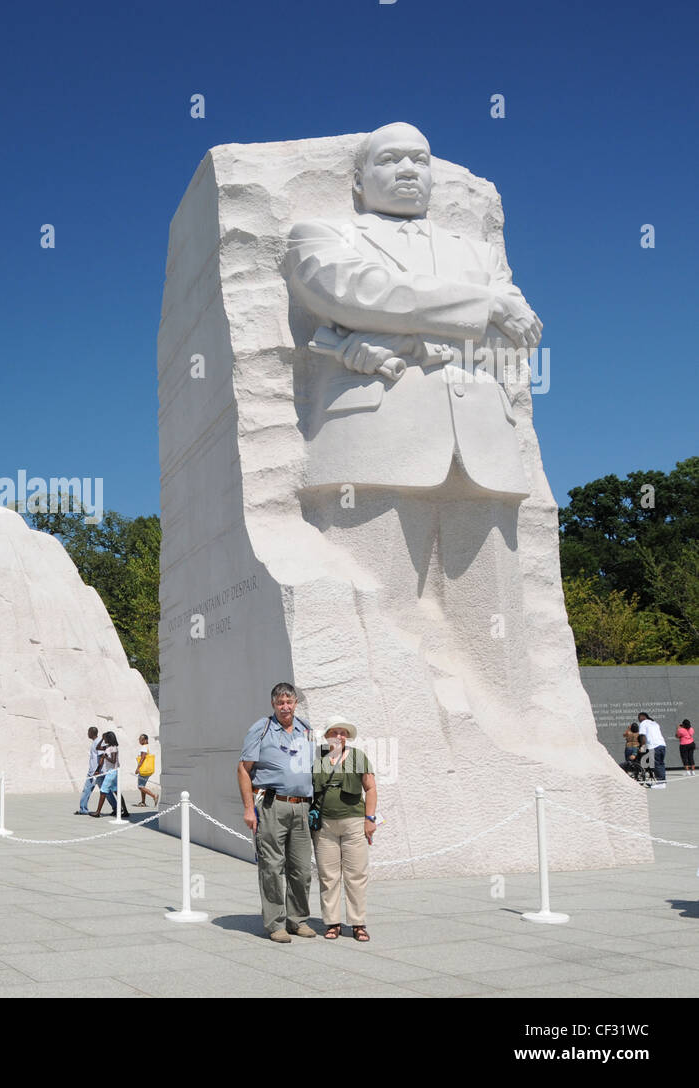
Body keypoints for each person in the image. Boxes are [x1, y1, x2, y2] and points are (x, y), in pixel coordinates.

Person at [285, 123, 542, 681]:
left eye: (419, 160)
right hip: (376, 440)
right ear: (357, 181)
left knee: (495, 633)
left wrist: (396, 337)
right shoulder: (320, 235)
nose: (408, 169)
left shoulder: (480, 255)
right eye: (391, 159)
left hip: (483, 442)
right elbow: (350, 292)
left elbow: (515, 339)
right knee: (380, 617)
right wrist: (480, 309)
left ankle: (506, 745)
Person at [238, 682, 317, 943]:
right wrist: (249, 808)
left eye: (289, 702)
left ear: (295, 703)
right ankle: (275, 924)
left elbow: (312, 765)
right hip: (273, 805)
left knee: (302, 869)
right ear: (273, 704)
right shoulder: (260, 729)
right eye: (280, 702)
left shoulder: (306, 729)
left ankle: (298, 920)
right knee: (272, 867)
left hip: (302, 805)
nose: (285, 707)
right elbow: (243, 769)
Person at [311, 717, 377, 941]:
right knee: (328, 876)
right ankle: (332, 922)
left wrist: (370, 819)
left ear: (347, 736)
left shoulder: (358, 757)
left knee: (356, 874)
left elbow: (370, 788)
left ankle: (358, 923)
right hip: (324, 825)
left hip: (354, 823)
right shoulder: (317, 756)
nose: (338, 736)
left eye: (343, 732)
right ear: (327, 734)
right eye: (334, 732)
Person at [74, 726, 101, 814]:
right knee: (88, 790)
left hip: (96, 772)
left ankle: (116, 808)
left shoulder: (98, 743)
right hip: (93, 771)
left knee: (105, 792)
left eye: (88, 732)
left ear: (92, 733)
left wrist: (97, 770)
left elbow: (101, 757)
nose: (87, 734)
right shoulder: (95, 742)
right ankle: (83, 809)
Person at [638, 712, 667, 789]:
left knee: (655, 764)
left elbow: (642, 735)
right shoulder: (655, 723)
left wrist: (643, 747)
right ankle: (662, 782)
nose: (638, 720)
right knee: (661, 764)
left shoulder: (643, 723)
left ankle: (660, 783)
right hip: (662, 744)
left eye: (639, 718)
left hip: (653, 746)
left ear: (642, 717)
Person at [134, 733, 158, 807]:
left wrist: (137, 768)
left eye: (141, 739)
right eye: (139, 739)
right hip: (148, 770)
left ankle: (154, 796)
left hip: (144, 770)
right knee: (143, 786)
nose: (140, 740)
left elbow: (142, 758)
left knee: (140, 787)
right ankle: (143, 802)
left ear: (145, 740)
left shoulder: (144, 747)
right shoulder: (146, 747)